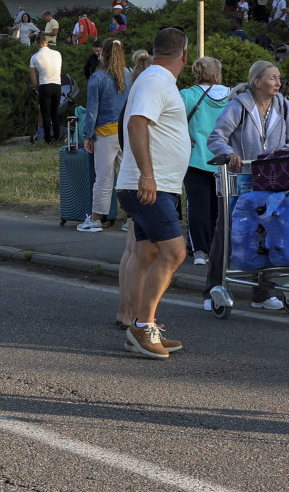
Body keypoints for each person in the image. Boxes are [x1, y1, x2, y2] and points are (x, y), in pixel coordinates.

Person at [205, 60, 289, 308]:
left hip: (270, 181)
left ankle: (263, 293)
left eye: (279, 78)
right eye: (273, 78)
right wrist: (230, 154)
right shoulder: (238, 106)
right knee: (226, 233)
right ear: (257, 82)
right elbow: (216, 137)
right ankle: (212, 290)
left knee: (268, 232)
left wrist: (281, 152)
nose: (278, 83)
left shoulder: (284, 107)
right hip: (238, 181)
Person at [116, 28, 191, 359]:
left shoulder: (154, 78)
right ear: (184, 56)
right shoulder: (157, 80)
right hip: (149, 187)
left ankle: (141, 325)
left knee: (146, 254)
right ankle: (144, 326)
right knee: (174, 254)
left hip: (151, 185)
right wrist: (147, 175)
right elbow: (136, 123)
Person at [179, 57, 230, 267]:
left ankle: (200, 249)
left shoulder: (187, 95)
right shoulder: (233, 96)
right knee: (222, 207)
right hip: (225, 160)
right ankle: (222, 247)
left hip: (195, 158)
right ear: (217, 75)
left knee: (197, 206)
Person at [77, 39, 130, 233]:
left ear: (102, 54)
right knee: (128, 176)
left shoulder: (97, 78)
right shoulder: (128, 74)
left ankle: (96, 218)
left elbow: (92, 111)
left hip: (105, 133)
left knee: (104, 177)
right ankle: (131, 218)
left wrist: (88, 135)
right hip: (125, 132)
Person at [29, 33, 63, 144]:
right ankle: (57, 138)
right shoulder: (57, 54)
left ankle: (48, 139)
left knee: (45, 114)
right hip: (57, 85)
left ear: (37, 44)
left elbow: (33, 78)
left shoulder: (34, 57)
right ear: (47, 43)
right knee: (55, 113)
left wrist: (37, 89)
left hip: (45, 85)